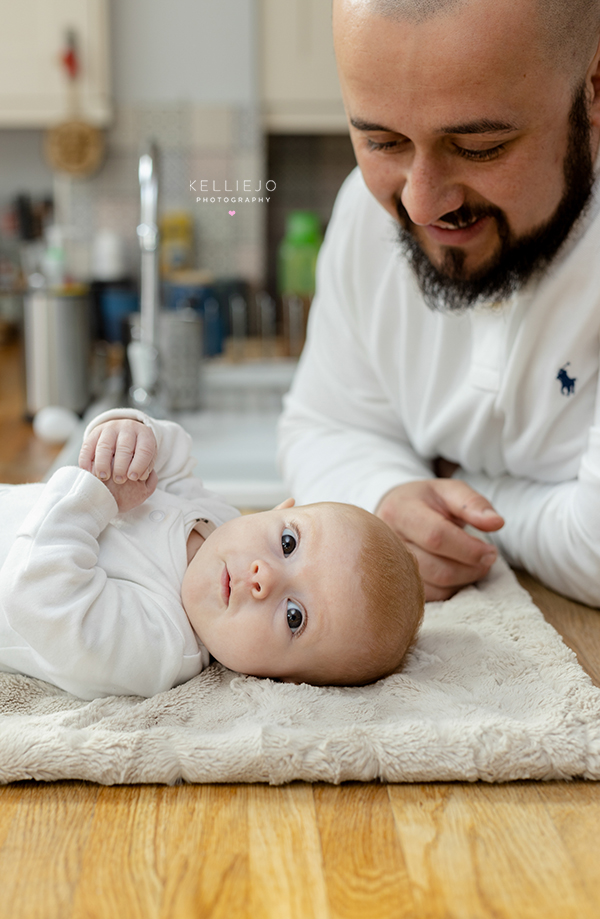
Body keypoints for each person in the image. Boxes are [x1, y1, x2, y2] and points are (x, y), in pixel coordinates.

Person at [278, 0, 600, 606]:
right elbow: (326, 425)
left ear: (595, 90)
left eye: (479, 147)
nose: (422, 206)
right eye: (380, 141)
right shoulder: (363, 216)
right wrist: (390, 496)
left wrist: (461, 484)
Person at [0, 409, 424, 700]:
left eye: (295, 616)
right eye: (288, 544)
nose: (264, 577)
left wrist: (96, 498)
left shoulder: (162, 646)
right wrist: (131, 435)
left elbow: (40, 597)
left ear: (280, 679)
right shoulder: (217, 521)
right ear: (280, 510)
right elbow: (173, 458)